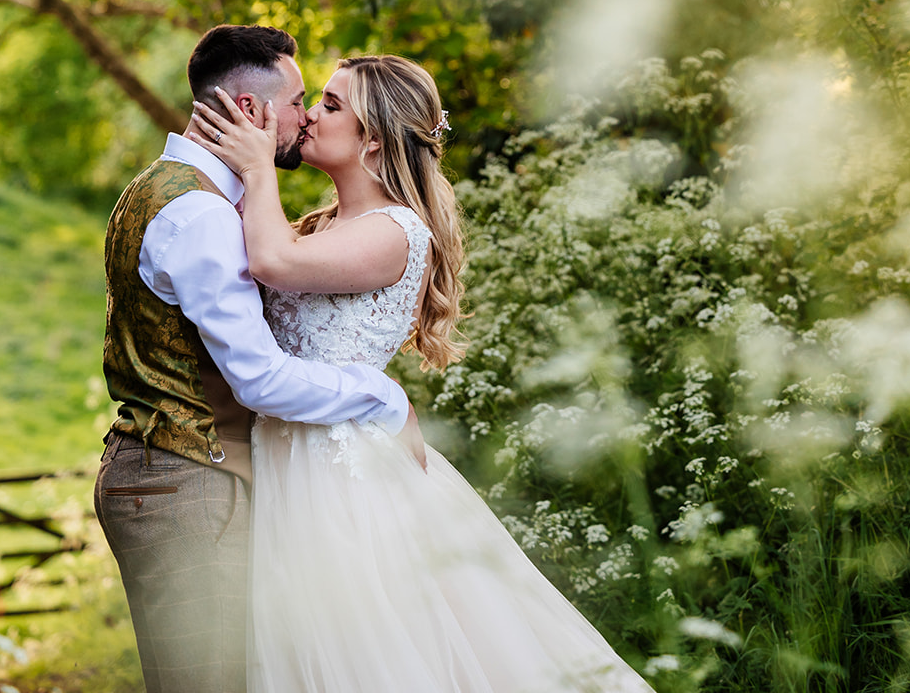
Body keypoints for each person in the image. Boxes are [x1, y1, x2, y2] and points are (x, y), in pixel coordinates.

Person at [189, 52, 653, 693]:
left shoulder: (396, 232)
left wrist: (255, 165)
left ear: (372, 138)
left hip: (338, 471)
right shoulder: (325, 225)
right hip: (284, 450)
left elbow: (270, 262)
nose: (308, 115)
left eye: (329, 104)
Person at [94, 25, 424, 693]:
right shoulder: (202, 214)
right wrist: (383, 396)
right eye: (302, 101)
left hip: (201, 475)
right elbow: (255, 376)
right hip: (186, 482)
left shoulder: (165, 188)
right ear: (251, 110)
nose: (304, 119)